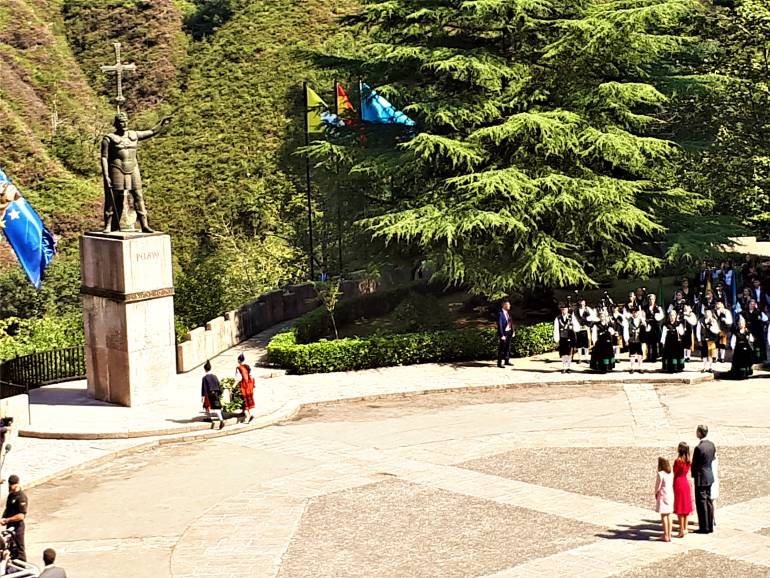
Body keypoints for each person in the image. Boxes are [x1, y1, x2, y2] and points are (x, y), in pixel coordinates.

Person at [101, 112, 170, 233]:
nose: (124, 124)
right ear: (116, 124)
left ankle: (144, 224)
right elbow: (104, 157)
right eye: (121, 122)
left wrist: (162, 124)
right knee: (113, 198)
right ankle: (109, 225)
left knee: (138, 195)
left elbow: (152, 132)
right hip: (116, 168)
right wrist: (106, 175)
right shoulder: (109, 139)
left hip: (133, 168)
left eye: (126, 121)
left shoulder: (134, 135)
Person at [691, 424, 716, 534]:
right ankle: (710, 525)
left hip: (701, 477)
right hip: (709, 475)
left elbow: (695, 464)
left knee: (701, 503)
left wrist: (693, 474)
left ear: (700, 432)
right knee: (709, 501)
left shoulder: (699, 448)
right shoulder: (711, 445)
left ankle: (704, 527)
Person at [1, 475, 27, 561]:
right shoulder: (11, 495)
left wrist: (7, 520)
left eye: (12, 485)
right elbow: (8, 509)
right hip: (9, 527)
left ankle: (23, 567)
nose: (10, 486)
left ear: (17, 484)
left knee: (19, 549)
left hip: (18, 527)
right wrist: (3, 518)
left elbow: (21, 516)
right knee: (10, 548)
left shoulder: (21, 497)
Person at [673, 442, 693, 538]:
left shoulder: (678, 461)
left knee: (680, 508)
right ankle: (685, 527)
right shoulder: (688, 461)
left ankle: (681, 530)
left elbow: (675, 471)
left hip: (679, 483)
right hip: (685, 482)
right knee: (685, 507)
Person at [553, 303, 578, 373]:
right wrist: (556, 338)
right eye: (563, 309)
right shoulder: (557, 318)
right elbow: (556, 329)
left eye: (565, 309)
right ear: (561, 310)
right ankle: (564, 367)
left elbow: (576, 326)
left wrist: (574, 334)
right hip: (562, 337)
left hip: (570, 336)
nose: (564, 310)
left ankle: (568, 367)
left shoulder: (571, 317)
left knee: (569, 353)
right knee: (563, 353)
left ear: (567, 310)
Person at [655, 457, 674, 542]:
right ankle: (669, 534)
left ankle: (666, 535)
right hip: (670, 494)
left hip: (663, 495)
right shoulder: (670, 473)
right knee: (669, 515)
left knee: (663, 515)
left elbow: (657, 486)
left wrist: (655, 493)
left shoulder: (660, 474)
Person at [201, 361, 225, 429]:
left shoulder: (205, 378)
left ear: (205, 369)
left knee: (211, 407)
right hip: (216, 393)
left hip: (210, 394)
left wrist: (203, 396)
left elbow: (204, 388)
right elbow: (219, 385)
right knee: (212, 406)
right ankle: (213, 418)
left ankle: (220, 420)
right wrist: (220, 393)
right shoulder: (215, 376)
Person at [696, 308, 720, 373]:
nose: (707, 314)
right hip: (703, 339)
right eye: (706, 313)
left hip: (711, 340)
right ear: (704, 313)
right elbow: (698, 331)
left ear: (711, 314)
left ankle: (710, 367)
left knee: (710, 354)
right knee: (704, 354)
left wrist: (712, 326)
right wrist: (699, 339)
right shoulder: (700, 321)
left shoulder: (714, 321)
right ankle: (705, 367)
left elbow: (717, 330)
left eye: (709, 313)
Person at [573, 297, 595, 364]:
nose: (582, 303)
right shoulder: (576, 311)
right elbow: (574, 320)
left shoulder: (588, 309)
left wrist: (588, 324)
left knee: (586, 344)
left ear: (585, 302)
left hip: (586, 329)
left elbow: (592, 317)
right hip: (579, 329)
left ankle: (587, 358)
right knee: (579, 345)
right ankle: (580, 358)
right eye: (580, 302)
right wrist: (577, 326)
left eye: (583, 302)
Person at [643, 294, 664, 362]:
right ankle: (648, 356)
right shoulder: (645, 307)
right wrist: (645, 323)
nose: (651, 300)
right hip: (648, 326)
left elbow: (661, 316)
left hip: (656, 326)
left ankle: (654, 357)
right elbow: (643, 316)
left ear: (655, 300)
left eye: (652, 299)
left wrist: (656, 317)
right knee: (648, 342)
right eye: (650, 299)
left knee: (655, 342)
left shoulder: (658, 307)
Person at [235, 354, 255, 422]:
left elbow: (238, 378)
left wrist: (233, 386)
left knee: (244, 400)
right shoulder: (247, 366)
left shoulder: (239, 368)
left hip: (243, 386)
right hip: (249, 385)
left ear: (239, 360)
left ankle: (248, 416)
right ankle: (245, 412)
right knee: (248, 399)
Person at [626, 307, 645, 373]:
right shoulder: (629, 321)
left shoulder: (641, 320)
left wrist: (644, 323)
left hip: (639, 339)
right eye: (633, 312)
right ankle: (632, 367)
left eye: (636, 312)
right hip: (632, 339)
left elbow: (647, 329)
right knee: (632, 354)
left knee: (640, 354)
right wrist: (626, 339)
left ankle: (640, 367)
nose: (635, 313)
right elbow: (626, 330)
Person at [496, 300, 514, 368]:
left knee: (508, 347)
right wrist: (502, 335)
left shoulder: (507, 313)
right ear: (504, 305)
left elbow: (510, 322)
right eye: (508, 305)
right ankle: (499, 363)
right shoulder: (500, 313)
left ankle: (507, 360)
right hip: (504, 333)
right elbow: (499, 325)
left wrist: (513, 331)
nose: (509, 306)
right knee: (502, 348)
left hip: (509, 332)